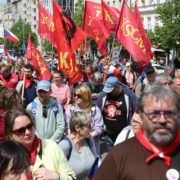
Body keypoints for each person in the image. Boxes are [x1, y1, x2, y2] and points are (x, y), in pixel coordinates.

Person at [93, 84, 180, 180]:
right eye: (154, 114)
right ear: (142, 116)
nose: (162, 120)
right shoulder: (120, 155)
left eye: (169, 113)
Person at [4, 109, 76, 180]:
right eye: (21, 130)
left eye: (29, 126)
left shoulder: (51, 146)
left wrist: (56, 176)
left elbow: (72, 177)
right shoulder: (5, 156)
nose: (28, 132)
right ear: (10, 135)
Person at [96, 76, 137, 143]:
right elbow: (97, 109)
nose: (108, 92)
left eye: (111, 90)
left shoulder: (129, 95)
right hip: (108, 134)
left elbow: (137, 110)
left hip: (124, 133)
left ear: (117, 87)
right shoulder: (103, 94)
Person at [65, 85, 104, 155]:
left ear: (86, 96)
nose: (76, 97)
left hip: (91, 145)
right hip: (74, 144)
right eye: (75, 95)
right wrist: (74, 139)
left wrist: (85, 138)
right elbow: (67, 127)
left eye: (79, 96)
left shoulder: (94, 109)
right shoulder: (70, 109)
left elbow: (99, 128)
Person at [60, 112, 97, 180]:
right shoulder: (64, 145)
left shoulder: (89, 139)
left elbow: (95, 163)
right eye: (88, 126)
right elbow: (58, 173)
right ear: (77, 128)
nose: (91, 128)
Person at [26, 80, 65, 145]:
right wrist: (38, 141)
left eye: (45, 92)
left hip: (53, 144)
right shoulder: (30, 107)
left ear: (50, 92)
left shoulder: (57, 107)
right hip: (36, 143)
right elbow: (30, 126)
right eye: (40, 91)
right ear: (36, 92)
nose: (42, 94)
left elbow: (60, 126)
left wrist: (52, 142)